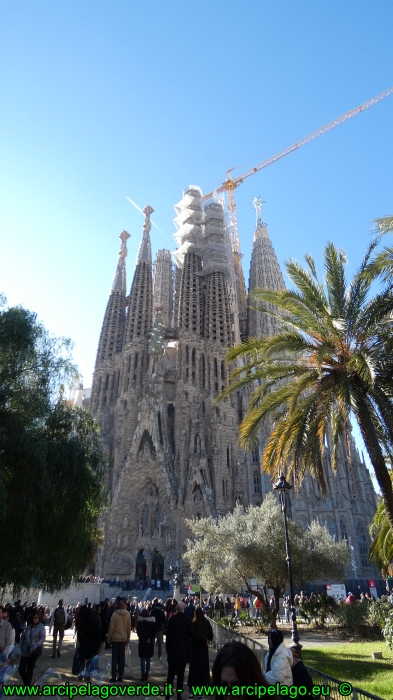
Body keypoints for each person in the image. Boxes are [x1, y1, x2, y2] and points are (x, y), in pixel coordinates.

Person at [166, 601, 193, 700]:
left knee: (170, 675)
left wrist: (167, 649)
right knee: (180, 676)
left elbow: (168, 635)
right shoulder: (187, 620)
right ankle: (179, 695)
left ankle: (168, 695)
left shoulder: (171, 619)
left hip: (172, 650)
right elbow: (191, 635)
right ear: (184, 609)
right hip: (183, 651)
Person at [188, 607, 213, 698]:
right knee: (203, 672)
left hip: (195, 649)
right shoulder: (206, 623)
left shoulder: (193, 623)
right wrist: (205, 639)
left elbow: (190, 635)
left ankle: (191, 693)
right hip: (203, 649)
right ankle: (201, 694)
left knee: (193, 671)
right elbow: (211, 636)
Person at [18, 610, 46, 686]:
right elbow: (22, 638)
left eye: (36, 617)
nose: (34, 619)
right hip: (24, 650)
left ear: (39, 618)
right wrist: (20, 648)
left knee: (30, 668)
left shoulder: (41, 627)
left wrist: (36, 644)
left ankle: (27, 686)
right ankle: (26, 683)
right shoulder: (28, 627)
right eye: (33, 617)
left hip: (34, 651)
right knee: (21, 669)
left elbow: (43, 638)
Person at [107, 600, 131, 682]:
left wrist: (108, 637)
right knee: (122, 658)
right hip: (123, 638)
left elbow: (111, 627)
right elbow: (129, 627)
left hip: (115, 638)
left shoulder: (115, 614)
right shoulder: (127, 614)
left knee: (114, 658)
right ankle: (120, 675)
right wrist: (128, 637)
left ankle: (113, 675)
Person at [136, 608, 155, 681]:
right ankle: (147, 673)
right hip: (149, 643)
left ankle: (142, 674)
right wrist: (149, 638)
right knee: (148, 659)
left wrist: (143, 639)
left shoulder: (140, 622)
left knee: (142, 659)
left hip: (142, 642)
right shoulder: (153, 622)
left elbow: (139, 632)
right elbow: (154, 632)